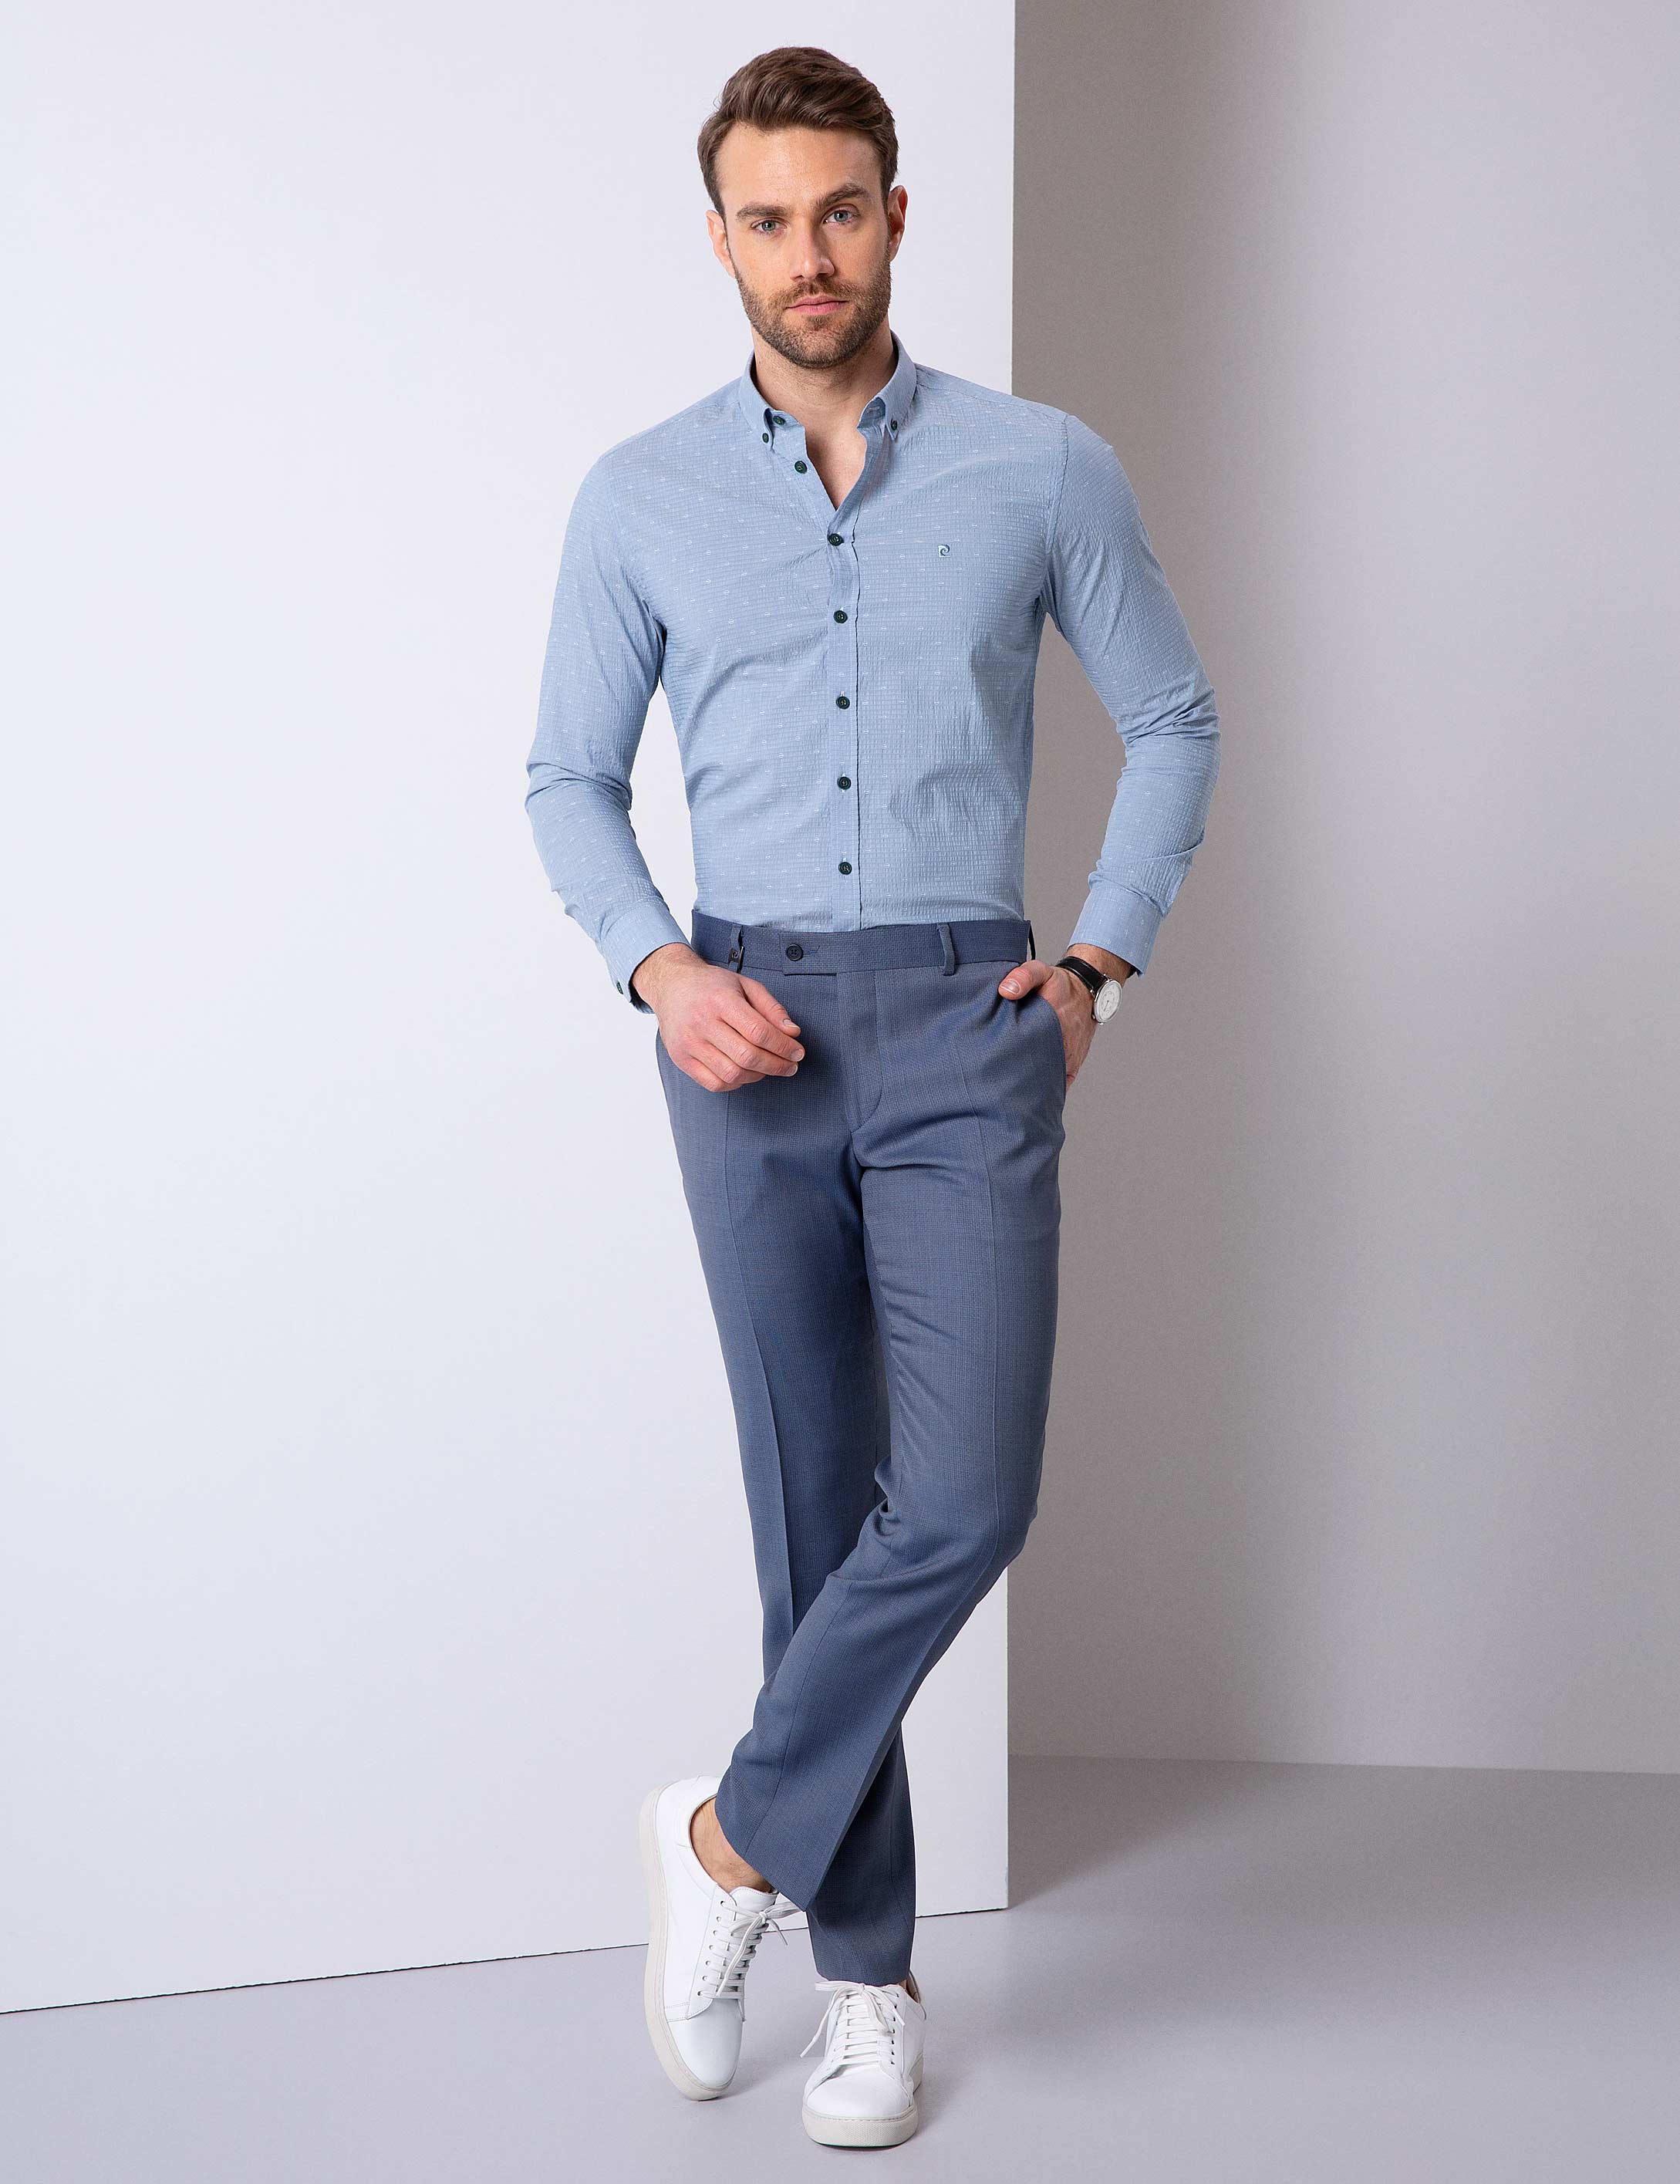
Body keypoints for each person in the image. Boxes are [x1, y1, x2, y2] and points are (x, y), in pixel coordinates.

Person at [524, 43, 1220, 2150]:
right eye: (768, 219)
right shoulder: (638, 495)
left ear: (897, 216)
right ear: (718, 238)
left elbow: (1176, 718)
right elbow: (565, 779)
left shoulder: (1041, 467)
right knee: (815, 1514)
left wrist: (1096, 963)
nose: (807, 253)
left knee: (967, 1492)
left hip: (965, 1017)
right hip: (741, 1033)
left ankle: (727, 1838)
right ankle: (866, 1982)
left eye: (840, 210)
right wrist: (659, 969)